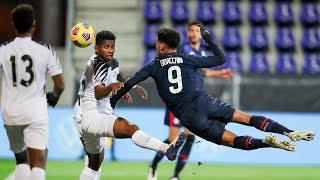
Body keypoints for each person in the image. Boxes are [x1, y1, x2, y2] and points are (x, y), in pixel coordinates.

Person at [111, 26, 315, 171]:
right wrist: (208, 38)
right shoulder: (187, 58)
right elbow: (221, 59)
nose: (156, 44)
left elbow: (128, 84)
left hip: (191, 118)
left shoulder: (153, 66)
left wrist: (112, 103)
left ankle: (267, 143)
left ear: (162, 46)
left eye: (157, 41)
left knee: (234, 141)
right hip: (206, 102)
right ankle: (288, 132)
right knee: (247, 118)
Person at [75, 30, 186, 180]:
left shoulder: (111, 62)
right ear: (96, 48)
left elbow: (118, 75)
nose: (110, 50)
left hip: (84, 117)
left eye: (112, 47)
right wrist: (112, 87)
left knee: (94, 165)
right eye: (106, 47)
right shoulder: (98, 64)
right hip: (93, 115)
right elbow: (98, 93)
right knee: (130, 128)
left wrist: (132, 87)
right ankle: (167, 148)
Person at [148, 21, 232, 180]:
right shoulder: (181, 49)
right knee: (173, 139)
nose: (194, 33)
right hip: (178, 101)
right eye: (191, 30)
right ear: (187, 33)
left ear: (200, 34)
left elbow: (201, 74)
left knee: (190, 137)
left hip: (194, 102)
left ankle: (175, 176)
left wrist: (219, 73)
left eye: (196, 31)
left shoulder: (201, 51)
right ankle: (153, 166)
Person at [0, 4, 64, 180]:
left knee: (21, 161)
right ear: (34, 24)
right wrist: (54, 97)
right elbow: (60, 84)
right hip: (35, 111)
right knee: (38, 162)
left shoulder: (3, 49)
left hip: (10, 112)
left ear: (13, 25)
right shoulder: (45, 49)